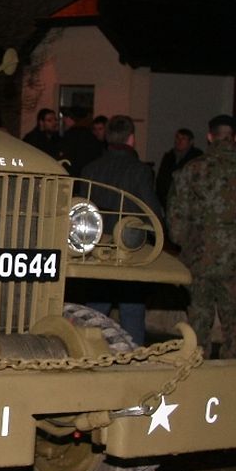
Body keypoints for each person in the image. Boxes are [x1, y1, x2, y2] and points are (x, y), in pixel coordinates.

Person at [167, 115, 236, 359]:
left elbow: (175, 219)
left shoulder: (191, 170)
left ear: (209, 136)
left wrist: (190, 241)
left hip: (198, 258)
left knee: (198, 322)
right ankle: (232, 374)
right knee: (234, 325)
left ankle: (196, 370)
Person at [77, 115, 162, 344]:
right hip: (130, 251)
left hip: (97, 250)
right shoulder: (139, 171)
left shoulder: (90, 169)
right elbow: (152, 212)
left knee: (95, 312)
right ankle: (132, 358)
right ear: (131, 139)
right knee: (132, 311)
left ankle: (89, 353)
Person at [155, 128, 203, 207]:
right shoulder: (169, 157)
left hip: (187, 201)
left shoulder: (197, 158)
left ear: (191, 142)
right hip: (168, 201)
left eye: (183, 138)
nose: (179, 141)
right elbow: (161, 179)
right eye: (177, 138)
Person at [60, 107, 105, 176]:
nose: (64, 120)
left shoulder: (71, 135)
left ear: (71, 118)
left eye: (66, 117)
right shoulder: (91, 135)